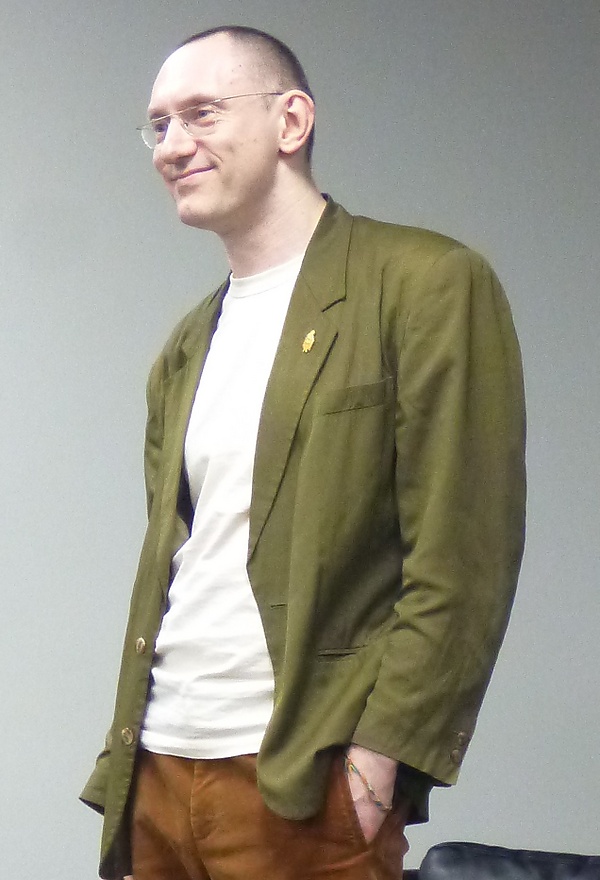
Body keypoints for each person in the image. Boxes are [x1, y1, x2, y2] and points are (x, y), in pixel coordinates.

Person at [81, 24, 526, 880]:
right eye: (159, 125)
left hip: (301, 779)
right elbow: (179, 563)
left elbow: (465, 552)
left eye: (202, 113)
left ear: (291, 121)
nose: (172, 145)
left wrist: (382, 755)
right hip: (160, 765)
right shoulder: (187, 344)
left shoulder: (425, 282)